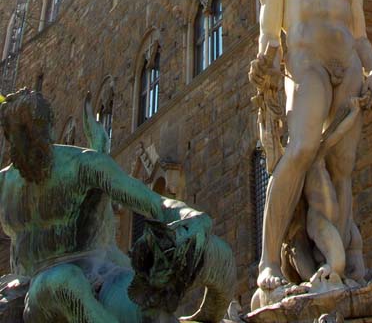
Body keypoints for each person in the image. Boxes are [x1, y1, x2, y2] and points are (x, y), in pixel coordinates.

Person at [0, 88, 235, 323]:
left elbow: (154, 202)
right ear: (9, 136)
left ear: (50, 128)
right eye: (21, 131)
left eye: (35, 126)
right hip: (37, 290)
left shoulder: (82, 165)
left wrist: (193, 218)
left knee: (150, 314)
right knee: (64, 282)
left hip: (98, 277)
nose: (30, 137)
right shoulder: (3, 183)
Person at [250, 0, 372, 305]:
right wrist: (266, 68)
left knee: (343, 167)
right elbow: (270, 36)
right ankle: (269, 262)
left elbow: (359, 38)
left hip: (350, 71)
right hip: (307, 69)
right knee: (302, 150)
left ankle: (336, 262)